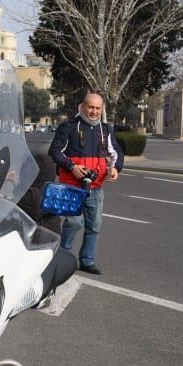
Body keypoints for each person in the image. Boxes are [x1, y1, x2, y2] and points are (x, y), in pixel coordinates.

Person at [48, 92, 123, 275]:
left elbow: (116, 153)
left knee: (94, 225)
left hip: (95, 187)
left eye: (98, 108)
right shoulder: (68, 127)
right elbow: (55, 151)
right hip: (72, 186)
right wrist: (72, 166)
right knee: (74, 223)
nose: (94, 111)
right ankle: (62, 256)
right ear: (82, 107)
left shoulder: (106, 130)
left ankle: (87, 261)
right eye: (91, 107)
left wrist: (116, 168)